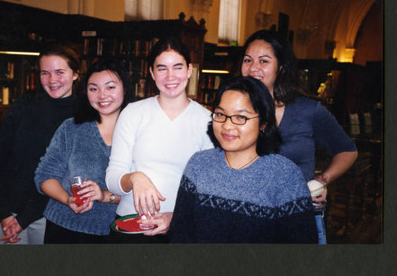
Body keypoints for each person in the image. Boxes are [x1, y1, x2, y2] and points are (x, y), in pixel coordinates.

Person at [235, 29, 358, 244]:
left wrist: (323, 180)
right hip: (246, 223)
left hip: (298, 222)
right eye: (248, 60)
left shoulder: (307, 110)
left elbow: (347, 151)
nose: (253, 67)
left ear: (280, 68)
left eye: (264, 61)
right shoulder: (230, 111)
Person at [168, 77, 317, 243]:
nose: (227, 125)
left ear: (264, 123)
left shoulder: (285, 176)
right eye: (220, 114)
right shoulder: (198, 165)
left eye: (241, 117)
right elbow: (180, 233)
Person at [105, 37, 213, 243]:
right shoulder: (133, 113)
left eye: (178, 67)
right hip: (131, 226)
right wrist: (135, 178)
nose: (170, 76)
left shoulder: (207, 120)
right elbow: (112, 179)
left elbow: (208, 187)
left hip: (182, 227)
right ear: (152, 73)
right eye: (162, 68)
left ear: (190, 70)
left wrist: (177, 216)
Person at [0, 44, 80, 244]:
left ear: (75, 75)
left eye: (60, 72)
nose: (52, 80)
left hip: (50, 213)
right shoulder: (23, 105)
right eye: (45, 73)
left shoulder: (83, 115)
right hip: (7, 212)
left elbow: (67, 175)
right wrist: (4, 213)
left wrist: (24, 219)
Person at [34, 59, 133, 243]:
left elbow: (143, 192)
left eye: (110, 87)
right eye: (93, 88)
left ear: (125, 89)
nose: (102, 95)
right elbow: (44, 176)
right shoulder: (71, 128)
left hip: (117, 232)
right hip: (64, 228)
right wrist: (67, 199)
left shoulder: (139, 134)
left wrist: (104, 196)